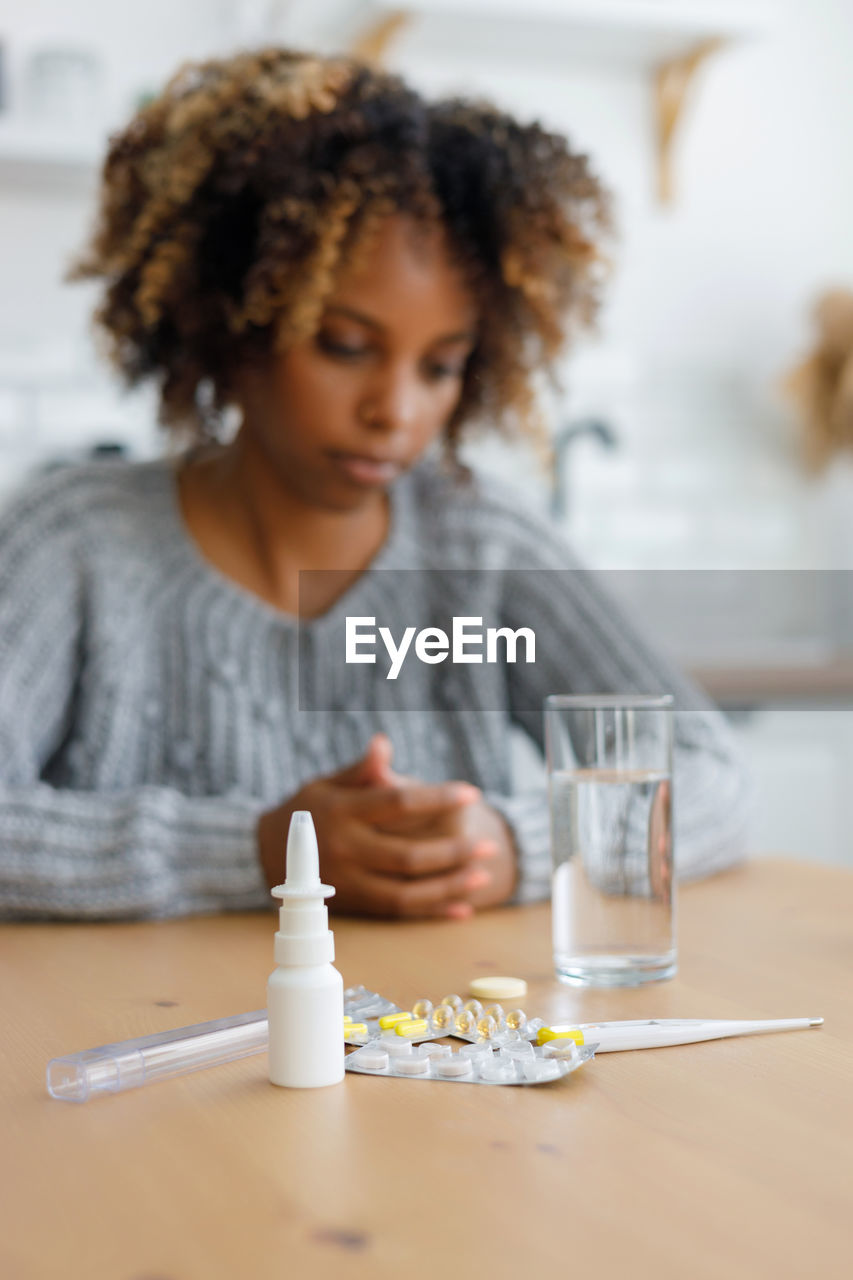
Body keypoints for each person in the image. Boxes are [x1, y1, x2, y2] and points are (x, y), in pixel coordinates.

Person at [0, 48, 749, 921]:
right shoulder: (73, 544)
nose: (394, 411)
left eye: (440, 366)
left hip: (429, 1049)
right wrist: (256, 853)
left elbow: (709, 774)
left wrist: (516, 846)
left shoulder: (483, 550)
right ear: (232, 325)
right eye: (344, 347)